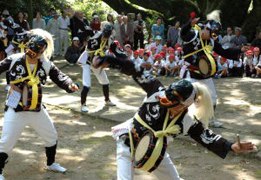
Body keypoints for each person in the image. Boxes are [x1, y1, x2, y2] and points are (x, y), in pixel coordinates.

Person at [93, 51, 257, 180]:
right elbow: (136, 70)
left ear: (183, 105)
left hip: (157, 151)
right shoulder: (155, 90)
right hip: (127, 142)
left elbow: (206, 135)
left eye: (172, 102)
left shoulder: (187, 121)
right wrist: (111, 60)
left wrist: (230, 146)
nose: (166, 101)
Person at [0, 29, 79, 180]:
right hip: (15, 108)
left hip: (36, 108)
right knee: (6, 142)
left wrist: (70, 85)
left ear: (41, 52)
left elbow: (60, 77)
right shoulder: (14, 59)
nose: (32, 55)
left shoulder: (45, 64)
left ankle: (51, 163)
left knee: (51, 136)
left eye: (36, 52)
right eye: (30, 50)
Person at [180, 12, 249, 127]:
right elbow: (183, 33)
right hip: (190, 74)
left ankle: (210, 120)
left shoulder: (212, 41)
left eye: (214, 35)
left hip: (205, 75)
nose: (212, 36)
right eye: (211, 33)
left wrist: (239, 50)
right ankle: (183, 121)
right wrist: (189, 24)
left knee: (212, 98)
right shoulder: (192, 35)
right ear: (206, 28)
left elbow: (224, 52)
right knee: (188, 98)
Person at [77, 23, 116, 112]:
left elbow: (116, 51)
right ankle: (83, 104)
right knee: (87, 84)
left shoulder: (109, 40)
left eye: (108, 34)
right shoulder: (95, 34)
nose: (106, 35)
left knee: (105, 81)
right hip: (87, 60)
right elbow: (84, 27)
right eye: (106, 33)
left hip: (98, 61)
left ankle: (107, 100)